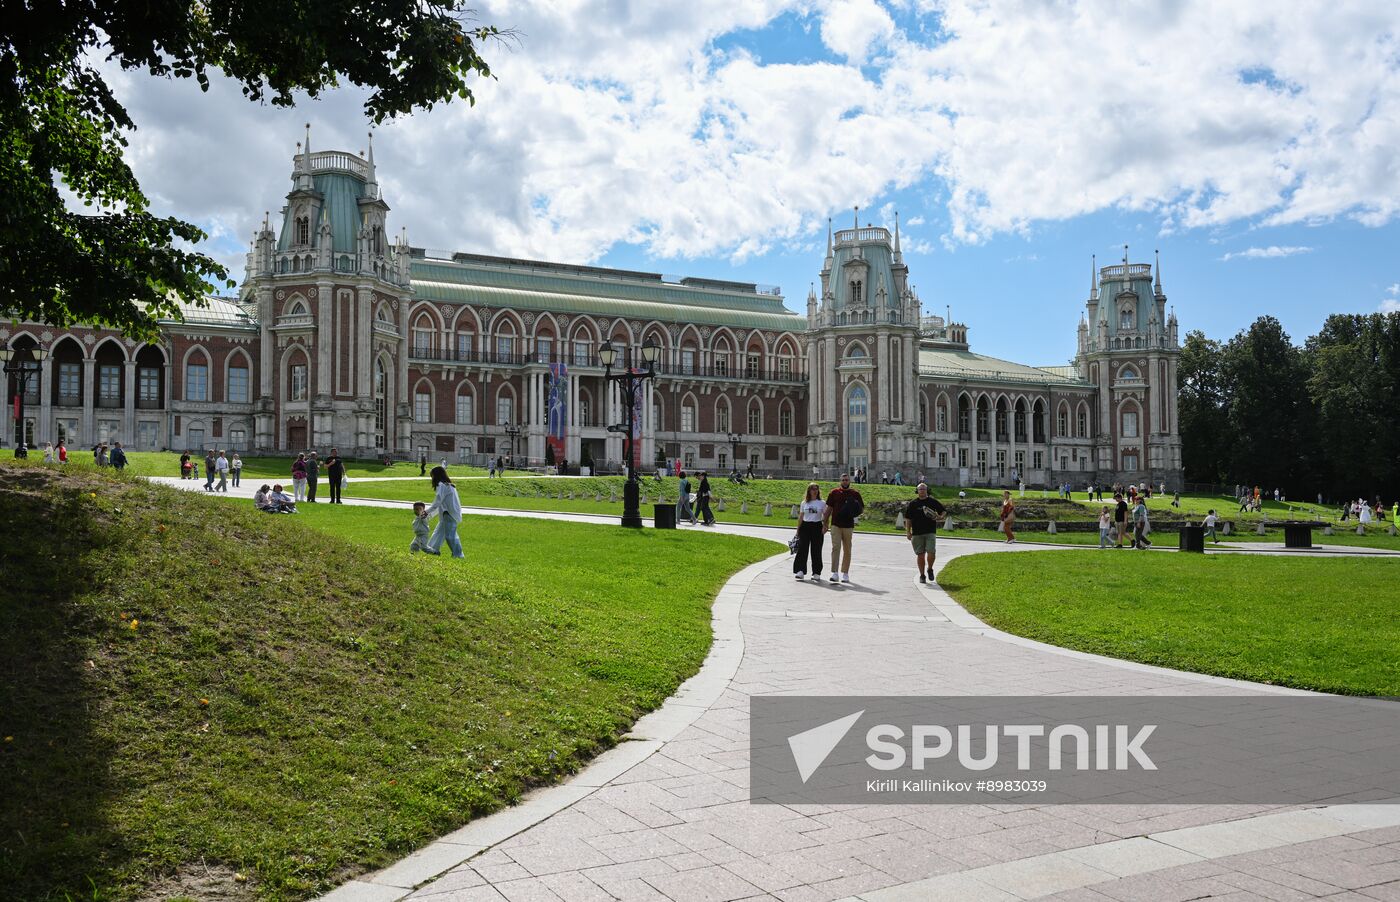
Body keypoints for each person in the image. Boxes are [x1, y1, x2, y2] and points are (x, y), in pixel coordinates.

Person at [823, 473, 863, 583]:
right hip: (835, 524)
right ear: (840, 481)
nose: (845, 481)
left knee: (847, 549)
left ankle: (845, 573)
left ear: (849, 481)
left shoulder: (855, 493)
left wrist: (853, 509)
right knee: (836, 548)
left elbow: (861, 509)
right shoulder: (834, 493)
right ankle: (835, 573)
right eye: (843, 480)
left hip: (848, 525)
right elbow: (829, 509)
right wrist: (825, 522)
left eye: (846, 480)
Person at [904, 482, 946, 584]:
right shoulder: (913, 503)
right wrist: (908, 532)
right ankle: (922, 575)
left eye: (924, 489)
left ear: (927, 491)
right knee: (920, 555)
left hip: (930, 531)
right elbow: (908, 519)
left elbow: (943, 511)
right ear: (917, 491)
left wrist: (940, 517)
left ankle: (930, 569)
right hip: (917, 532)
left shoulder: (932, 501)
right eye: (920, 489)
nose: (922, 491)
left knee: (931, 552)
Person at [424, 466, 464, 558]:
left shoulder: (441, 485)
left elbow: (437, 502)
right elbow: (440, 504)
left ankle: (458, 555)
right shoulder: (448, 485)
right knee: (439, 533)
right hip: (448, 513)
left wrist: (427, 512)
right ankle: (432, 550)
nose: (432, 479)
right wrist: (429, 515)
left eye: (432, 476)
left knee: (450, 536)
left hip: (449, 514)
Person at [792, 483, 828, 581]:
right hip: (805, 526)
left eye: (816, 489)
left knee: (816, 549)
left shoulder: (822, 503)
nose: (815, 491)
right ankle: (800, 570)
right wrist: (798, 530)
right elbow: (801, 517)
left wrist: (825, 526)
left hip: (817, 526)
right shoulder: (804, 503)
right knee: (802, 549)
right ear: (809, 491)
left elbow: (826, 516)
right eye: (812, 489)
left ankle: (816, 572)